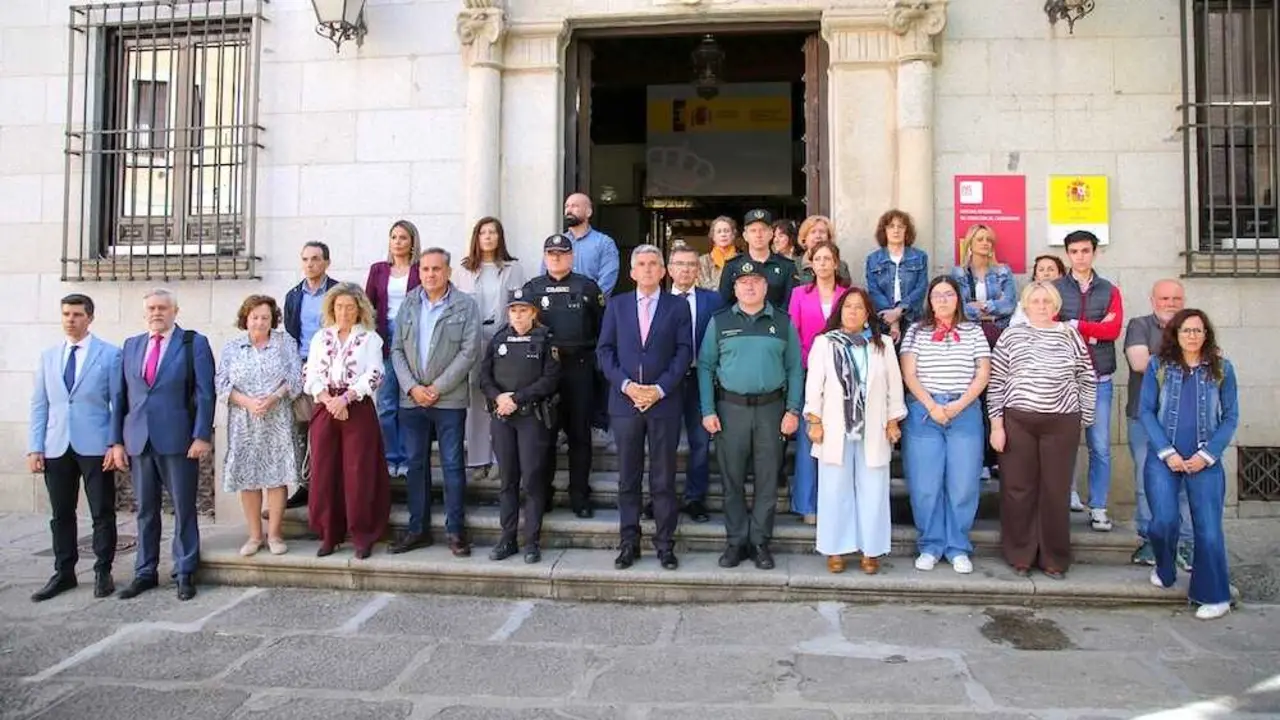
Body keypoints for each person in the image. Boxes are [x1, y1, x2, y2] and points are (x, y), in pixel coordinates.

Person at [109, 289, 215, 601]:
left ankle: (184, 570)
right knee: (145, 510)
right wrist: (115, 441)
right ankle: (145, 571)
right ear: (145, 313)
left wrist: (202, 435)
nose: (157, 313)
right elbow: (119, 397)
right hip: (139, 440)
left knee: (183, 508)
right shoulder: (131, 346)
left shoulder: (193, 343)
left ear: (175, 311)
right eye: (152, 308)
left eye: (163, 308)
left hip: (179, 440)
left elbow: (205, 392)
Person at [988, 282, 1096, 579]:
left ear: (1056, 305)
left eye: (1047, 301)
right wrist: (996, 425)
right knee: (1017, 489)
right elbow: (996, 382)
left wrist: (1084, 418)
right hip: (1018, 420)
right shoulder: (1011, 335)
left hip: (1062, 422)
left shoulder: (1070, 335)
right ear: (1025, 305)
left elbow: (1087, 377)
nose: (1042, 305)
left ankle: (1054, 557)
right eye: (1035, 301)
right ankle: (1020, 554)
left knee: (1055, 490)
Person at [699, 263, 803, 570]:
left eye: (755, 281)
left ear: (765, 286)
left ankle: (759, 541)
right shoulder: (719, 321)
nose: (749, 287)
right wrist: (708, 410)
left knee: (768, 479)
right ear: (734, 288)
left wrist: (793, 410)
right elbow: (705, 366)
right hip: (730, 410)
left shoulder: (783, 322)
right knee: (731, 480)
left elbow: (795, 368)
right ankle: (735, 541)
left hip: (772, 410)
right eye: (743, 282)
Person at [598, 245, 693, 571]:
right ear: (632, 271)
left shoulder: (677, 307)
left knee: (664, 479)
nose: (648, 269)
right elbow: (605, 352)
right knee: (628, 478)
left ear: (663, 270)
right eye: (642, 264)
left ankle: (665, 545)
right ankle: (629, 543)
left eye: (654, 264)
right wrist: (627, 386)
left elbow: (684, 353)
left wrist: (658, 389)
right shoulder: (617, 305)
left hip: (663, 404)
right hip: (625, 404)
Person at [1141, 309, 1239, 620]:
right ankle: (1165, 567)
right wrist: (1166, 452)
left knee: (1208, 531)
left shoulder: (1222, 369)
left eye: (1197, 330)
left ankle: (1215, 596)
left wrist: (1207, 454)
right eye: (1186, 330)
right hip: (1164, 458)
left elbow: (1230, 417)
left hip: (1204, 461)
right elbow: (1145, 411)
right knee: (1163, 522)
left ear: (1206, 334)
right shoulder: (1159, 366)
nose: (1192, 336)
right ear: (1176, 334)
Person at [27, 294, 122, 602]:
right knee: (61, 514)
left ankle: (102, 571)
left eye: (78, 314)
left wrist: (114, 442)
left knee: (102, 511)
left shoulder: (109, 354)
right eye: (66, 314)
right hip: (56, 446)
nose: (71, 319)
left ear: (90, 318)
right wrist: (35, 447)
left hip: (95, 445)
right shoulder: (48, 356)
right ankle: (64, 571)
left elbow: (118, 404)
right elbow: (40, 404)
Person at [803, 288, 906, 575]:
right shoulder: (825, 343)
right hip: (835, 428)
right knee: (835, 489)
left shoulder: (881, 344)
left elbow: (894, 387)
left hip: (873, 427)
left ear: (867, 314)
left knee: (873, 489)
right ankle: (835, 548)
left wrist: (893, 421)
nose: (853, 311)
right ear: (840, 311)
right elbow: (814, 386)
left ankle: (870, 549)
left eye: (859, 307)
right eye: (848, 306)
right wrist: (814, 420)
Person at [389, 248, 481, 557]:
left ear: (448, 272)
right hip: (412, 400)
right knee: (416, 465)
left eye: (436, 269)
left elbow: (469, 352)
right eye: (425, 269)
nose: (430, 274)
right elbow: (396, 350)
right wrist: (413, 387)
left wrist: (437, 388)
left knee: (453, 465)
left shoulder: (465, 306)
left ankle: (455, 531)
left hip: (449, 400)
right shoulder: (409, 304)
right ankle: (418, 529)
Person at [899, 276, 991, 575]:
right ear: (929, 300)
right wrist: (932, 406)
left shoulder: (973, 331)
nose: (942, 300)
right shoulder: (915, 332)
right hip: (925, 412)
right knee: (926, 484)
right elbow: (909, 374)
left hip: (963, 411)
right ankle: (930, 544)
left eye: (948, 294)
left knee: (962, 484)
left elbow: (982, 373)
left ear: (958, 299)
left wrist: (957, 405)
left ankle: (957, 546)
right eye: (936, 295)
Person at [303, 283, 390, 559]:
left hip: (357, 407)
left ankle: (362, 534)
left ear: (359, 309)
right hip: (325, 406)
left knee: (358, 472)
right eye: (339, 307)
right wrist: (328, 399)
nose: (344, 312)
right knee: (325, 471)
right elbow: (310, 373)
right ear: (332, 308)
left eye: (350, 307)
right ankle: (330, 533)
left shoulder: (370, 339)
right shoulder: (320, 337)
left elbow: (375, 374)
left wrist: (347, 398)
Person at [524, 234, 605, 518]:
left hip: (578, 369)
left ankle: (579, 495)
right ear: (544, 256)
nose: (556, 257)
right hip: (544, 371)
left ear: (571, 256)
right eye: (551, 253)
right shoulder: (532, 290)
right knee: (543, 436)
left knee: (579, 436)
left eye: (562, 253)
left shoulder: (587, 286)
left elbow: (601, 328)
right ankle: (542, 494)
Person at [216, 295, 302, 558]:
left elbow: (297, 378)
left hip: (277, 419)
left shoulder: (285, 342)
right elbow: (221, 384)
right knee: (248, 477)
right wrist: (248, 402)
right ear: (246, 318)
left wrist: (274, 397)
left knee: (276, 476)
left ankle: (275, 534)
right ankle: (254, 536)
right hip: (244, 421)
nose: (260, 322)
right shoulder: (233, 347)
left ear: (273, 319)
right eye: (255, 317)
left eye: (265, 317)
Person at [480, 289, 561, 564]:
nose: (518, 315)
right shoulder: (498, 339)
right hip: (503, 417)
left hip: (531, 418)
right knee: (508, 480)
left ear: (534, 313)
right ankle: (508, 539)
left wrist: (517, 398)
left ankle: (532, 542)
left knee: (533, 480)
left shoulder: (545, 340)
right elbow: (484, 376)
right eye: (514, 310)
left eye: (523, 310)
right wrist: (498, 398)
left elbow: (550, 380)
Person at [1053, 229, 1124, 532]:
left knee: (1100, 446)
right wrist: (1094, 330)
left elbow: (1114, 330)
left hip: (1099, 379)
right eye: (1074, 251)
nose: (1080, 256)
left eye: (1085, 251)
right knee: (1063, 444)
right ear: (1067, 254)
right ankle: (1063, 500)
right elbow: (1051, 327)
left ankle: (1098, 506)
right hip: (1063, 379)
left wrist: (1077, 325)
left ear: (1095, 253)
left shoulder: (1110, 290)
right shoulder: (1054, 288)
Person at [1125, 279, 1194, 567]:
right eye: (1164, 298)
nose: (1170, 304)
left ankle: (1186, 543)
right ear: (1153, 300)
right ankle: (1150, 542)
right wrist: (1187, 355)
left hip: (1188, 421)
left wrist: (1164, 357)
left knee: (1186, 482)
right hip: (1144, 417)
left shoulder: (1194, 325)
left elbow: (1211, 361)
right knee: (1146, 481)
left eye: (1176, 299)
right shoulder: (1139, 325)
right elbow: (1139, 362)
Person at [454, 217, 526, 481]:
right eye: (483, 232)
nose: (488, 237)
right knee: (475, 398)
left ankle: (499, 457)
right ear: (476, 237)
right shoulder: (463, 270)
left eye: (493, 232)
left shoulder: (513, 268)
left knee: (501, 397)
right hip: (473, 340)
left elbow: (519, 305)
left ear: (500, 237)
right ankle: (477, 459)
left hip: (503, 339)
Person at [786, 240, 850, 525]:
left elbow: (854, 332)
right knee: (807, 438)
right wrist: (812, 363)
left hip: (841, 377)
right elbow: (793, 334)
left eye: (828, 259)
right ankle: (807, 503)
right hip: (807, 372)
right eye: (818, 259)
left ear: (836, 263)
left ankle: (834, 502)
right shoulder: (799, 294)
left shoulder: (848, 295)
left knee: (837, 439)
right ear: (810, 264)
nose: (823, 264)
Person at [667, 244, 724, 522]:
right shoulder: (658, 300)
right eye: (680, 264)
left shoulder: (713, 301)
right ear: (670, 269)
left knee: (700, 441)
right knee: (662, 442)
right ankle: (660, 496)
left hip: (700, 380)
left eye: (691, 264)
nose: (686, 269)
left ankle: (695, 498)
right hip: (667, 382)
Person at [282, 241, 340, 509]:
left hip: (332, 367)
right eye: (305, 259)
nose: (310, 264)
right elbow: (291, 335)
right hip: (301, 364)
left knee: (328, 427)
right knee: (302, 428)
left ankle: (329, 485)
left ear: (326, 262)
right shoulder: (294, 295)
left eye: (315, 259)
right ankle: (305, 485)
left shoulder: (339, 292)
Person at [364, 220, 421, 479]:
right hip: (384, 337)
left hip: (412, 339)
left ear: (412, 242)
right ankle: (392, 456)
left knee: (409, 404)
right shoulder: (378, 270)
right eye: (394, 237)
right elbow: (368, 305)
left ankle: (409, 458)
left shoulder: (421, 269)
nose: (397, 242)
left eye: (403, 238)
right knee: (387, 403)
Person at [866, 209, 929, 343]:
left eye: (901, 226)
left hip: (913, 319)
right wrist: (892, 319)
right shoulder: (873, 259)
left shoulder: (920, 257)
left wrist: (899, 311)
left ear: (907, 231)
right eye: (891, 226)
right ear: (884, 231)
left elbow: (921, 288)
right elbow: (874, 291)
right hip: (883, 321)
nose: (896, 230)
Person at [718, 209, 797, 311]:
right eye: (753, 230)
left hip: (777, 324)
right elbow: (725, 302)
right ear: (745, 236)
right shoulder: (732, 265)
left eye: (763, 230)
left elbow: (790, 302)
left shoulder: (787, 266)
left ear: (771, 234)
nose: (758, 235)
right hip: (741, 324)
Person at [950, 224, 1017, 338]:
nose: (985, 243)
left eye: (989, 240)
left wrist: (984, 305)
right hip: (968, 331)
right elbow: (957, 308)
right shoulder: (959, 273)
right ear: (970, 244)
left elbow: (1009, 305)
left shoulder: (1003, 271)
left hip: (999, 329)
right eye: (980, 240)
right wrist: (995, 306)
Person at [552, 192, 620, 296]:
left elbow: (607, 282)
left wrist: (588, 303)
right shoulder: (556, 243)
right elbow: (545, 278)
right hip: (559, 307)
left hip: (591, 308)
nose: (569, 210)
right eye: (566, 206)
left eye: (575, 206)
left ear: (588, 212)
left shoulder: (604, 243)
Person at [1008, 254, 1065, 328]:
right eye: (1041, 270)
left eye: (1051, 269)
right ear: (1035, 277)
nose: (1046, 274)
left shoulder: (1069, 297)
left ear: (1060, 275)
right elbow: (1015, 326)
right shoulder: (1026, 301)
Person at [794, 215, 852, 285]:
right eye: (813, 232)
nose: (818, 236)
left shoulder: (841, 266)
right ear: (804, 238)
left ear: (829, 238)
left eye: (822, 232)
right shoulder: (793, 265)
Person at [697, 216, 740, 291]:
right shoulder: (702, 261)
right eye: (719, 231)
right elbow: (701, 287)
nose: (723, 234)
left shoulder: (741, 260)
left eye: (726, 231)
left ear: (733, 235)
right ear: (713, 236)